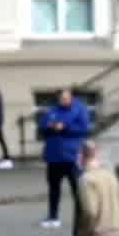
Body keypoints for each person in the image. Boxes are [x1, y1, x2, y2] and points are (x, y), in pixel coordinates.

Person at [38, 87, 90, 228]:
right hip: (54, 157)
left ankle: (82, 218)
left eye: (66, 98)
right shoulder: (52, 110)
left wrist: (65, 127)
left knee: (77, 190)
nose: (64, 101)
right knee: (53, 188)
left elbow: (84, 128)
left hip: (72, 157)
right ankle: (53, 216)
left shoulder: (79, 110)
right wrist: (49, 126)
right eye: (61, 98)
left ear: (71, 97)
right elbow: (42, 125)